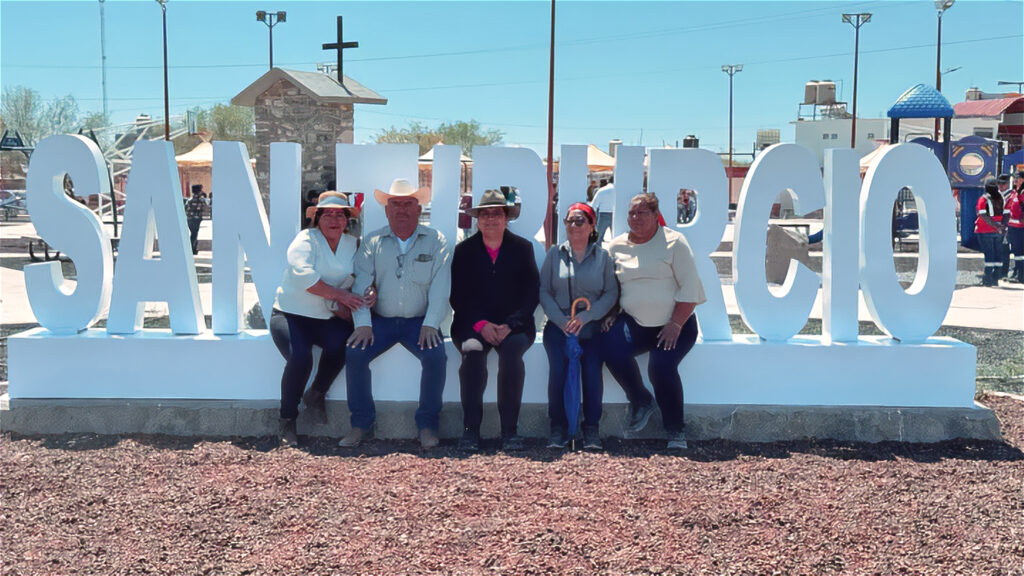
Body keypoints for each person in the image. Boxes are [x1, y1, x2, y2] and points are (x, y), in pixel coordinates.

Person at [341, 178, 451, 449]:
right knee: (354, 353)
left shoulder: (436, 241)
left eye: (407, 204)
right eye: (395, 204)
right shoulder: (372, 242)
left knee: (436, 356)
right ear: (387, 210)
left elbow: (441, 285)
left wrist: (431, 323)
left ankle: (427, 425)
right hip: (381, 322)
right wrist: (364, 323)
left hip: (419, 323)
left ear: (418, 208)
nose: (401, 209)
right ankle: (361, 424)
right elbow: (362, 282)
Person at [601, 192, 706, 450]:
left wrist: (676, 323)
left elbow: (690, 288)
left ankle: (675, 430)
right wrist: (612, 311)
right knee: (607, 345)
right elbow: (611, 287)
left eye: (642, 212)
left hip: (675, 325)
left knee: (660, 367)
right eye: (631, 213)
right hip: (636, 323)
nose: (635, 218)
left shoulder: (675, 242)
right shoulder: (615, 247)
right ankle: (640, 399)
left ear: (655, 215)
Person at [268, 192, 364, 447]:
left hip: (326, 317)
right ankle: (287, 419)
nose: (334, 219)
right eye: (328, 214)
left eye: (340, 214)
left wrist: (365, 292)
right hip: (290, 315)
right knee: (300, 357)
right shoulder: (305, 239)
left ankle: (316, 394)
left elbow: (361, 276)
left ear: (347, 220)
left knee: (346, 344)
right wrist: (339, 295)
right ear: (317, 218)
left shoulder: (352, 244)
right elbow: (302, 276)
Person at [450, 188, 539, 452]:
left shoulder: (523, 248)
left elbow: (531, 292)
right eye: (485, 214)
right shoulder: (464, 250)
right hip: (472, 323)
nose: (490, 219)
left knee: (511, 356)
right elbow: (458, 295)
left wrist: (511, 324)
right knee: (473, 354)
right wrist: (480, 325)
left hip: (514, 325)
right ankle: (470, 431)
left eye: (496, 214)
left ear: (506, 218)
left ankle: (509, 432)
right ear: (477, 219)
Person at [539, 202, 618, 450]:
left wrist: (588, 316)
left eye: (580, 221)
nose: (574, 226)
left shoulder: (603, 257)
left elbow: (611, 292)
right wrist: (561, 321)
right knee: (558, 373)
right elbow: (544, 291)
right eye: (570, 221)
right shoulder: (554, 254)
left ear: (592, 225)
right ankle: (558, 428)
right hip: (559, 325)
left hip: (591, 326)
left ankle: (591, 429)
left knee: (592, 373)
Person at [975, 178, 1005, 287]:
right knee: (997, 254)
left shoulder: (983, 199)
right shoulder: (1001, 197)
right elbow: (1006, 213)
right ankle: (995, 279)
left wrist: (995, 225)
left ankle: (987, 279)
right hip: (998, 231)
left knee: (989, 255)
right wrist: (1002, 226)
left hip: (984, 230)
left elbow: (983, 215)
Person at [1004, 172, 1024, 283]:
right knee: (1017, 253)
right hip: (1013, 228)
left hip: (1021, 228)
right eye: (1014, 178)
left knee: (1021, 253)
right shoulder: (1014, 193)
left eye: (1018, 178)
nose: (1015, 180)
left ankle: (1021, 275)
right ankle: (1018, 272)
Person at [590, 178, 615, 244]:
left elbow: (594, 206)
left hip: (603, 214)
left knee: (598, 237)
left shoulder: (601, 190)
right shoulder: (620, 191)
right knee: (617, 238)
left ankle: (597, 253)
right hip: (616, 214)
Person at [185, 184, 208, 255]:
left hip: (189, 219)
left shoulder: (189, 200)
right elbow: (206, 209)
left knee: (193, 233)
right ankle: (192, 249)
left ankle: (193, 248)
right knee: (194, 234)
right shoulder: (201, 200)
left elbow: (186, 209)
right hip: (197, 219)